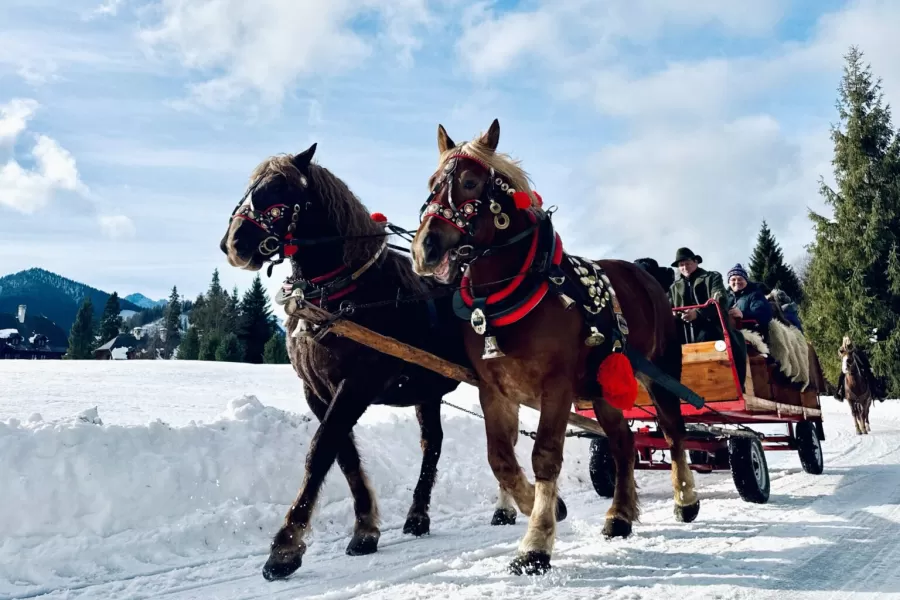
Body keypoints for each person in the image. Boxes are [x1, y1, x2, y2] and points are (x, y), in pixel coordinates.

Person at [668, 247, 748, 388]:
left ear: (696, 262)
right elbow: (668, 305)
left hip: (711, 324)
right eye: (681, 265)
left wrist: (697, 314)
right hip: (684, 329)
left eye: (687, 263)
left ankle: (732, 385)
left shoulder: (712, 278)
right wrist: (673, 314)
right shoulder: (674, 287)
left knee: (716, 340)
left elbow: (720, 300)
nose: (684, 267)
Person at [725, 264, 773, 338]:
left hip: (752, 333)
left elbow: (764, 314)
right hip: (728, 331)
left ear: (746, 281)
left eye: (740, 279)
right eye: (733, 279)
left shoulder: (755, 294)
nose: (737, 282)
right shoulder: (726, 297)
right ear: (729, 282)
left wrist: (743, 315)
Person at [835, 336, 886, 402]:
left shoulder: (855, 348)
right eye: (846, 340)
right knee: (841, 378)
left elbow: (862, 358)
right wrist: (844, 350)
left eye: (849, 340)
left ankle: (877, 393)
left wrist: (868, 366)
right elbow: (840, 353)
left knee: (870, 376)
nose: (848, 342)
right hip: (846, 368)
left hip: (859, 367)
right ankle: (839, 392)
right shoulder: (842, 349)